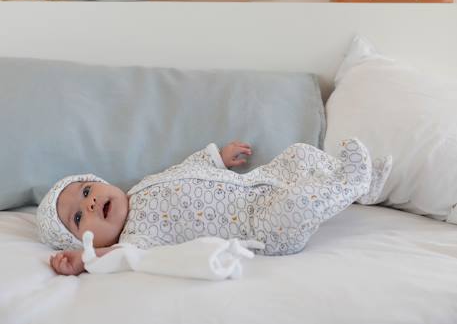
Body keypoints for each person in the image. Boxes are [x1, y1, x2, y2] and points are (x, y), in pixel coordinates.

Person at [37, 139, 391, 276]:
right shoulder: (136, 238)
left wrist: (217, 159)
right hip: (262, 226)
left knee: (299, 155)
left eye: (86, 189)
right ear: (89, 241)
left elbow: (185, 169)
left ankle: (359, 186)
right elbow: (118, 258)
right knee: (299, 204)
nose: (91, 201)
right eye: (78, 216)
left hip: (258, 185)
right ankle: (351, 182)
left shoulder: (144, 184)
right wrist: (83, 260)